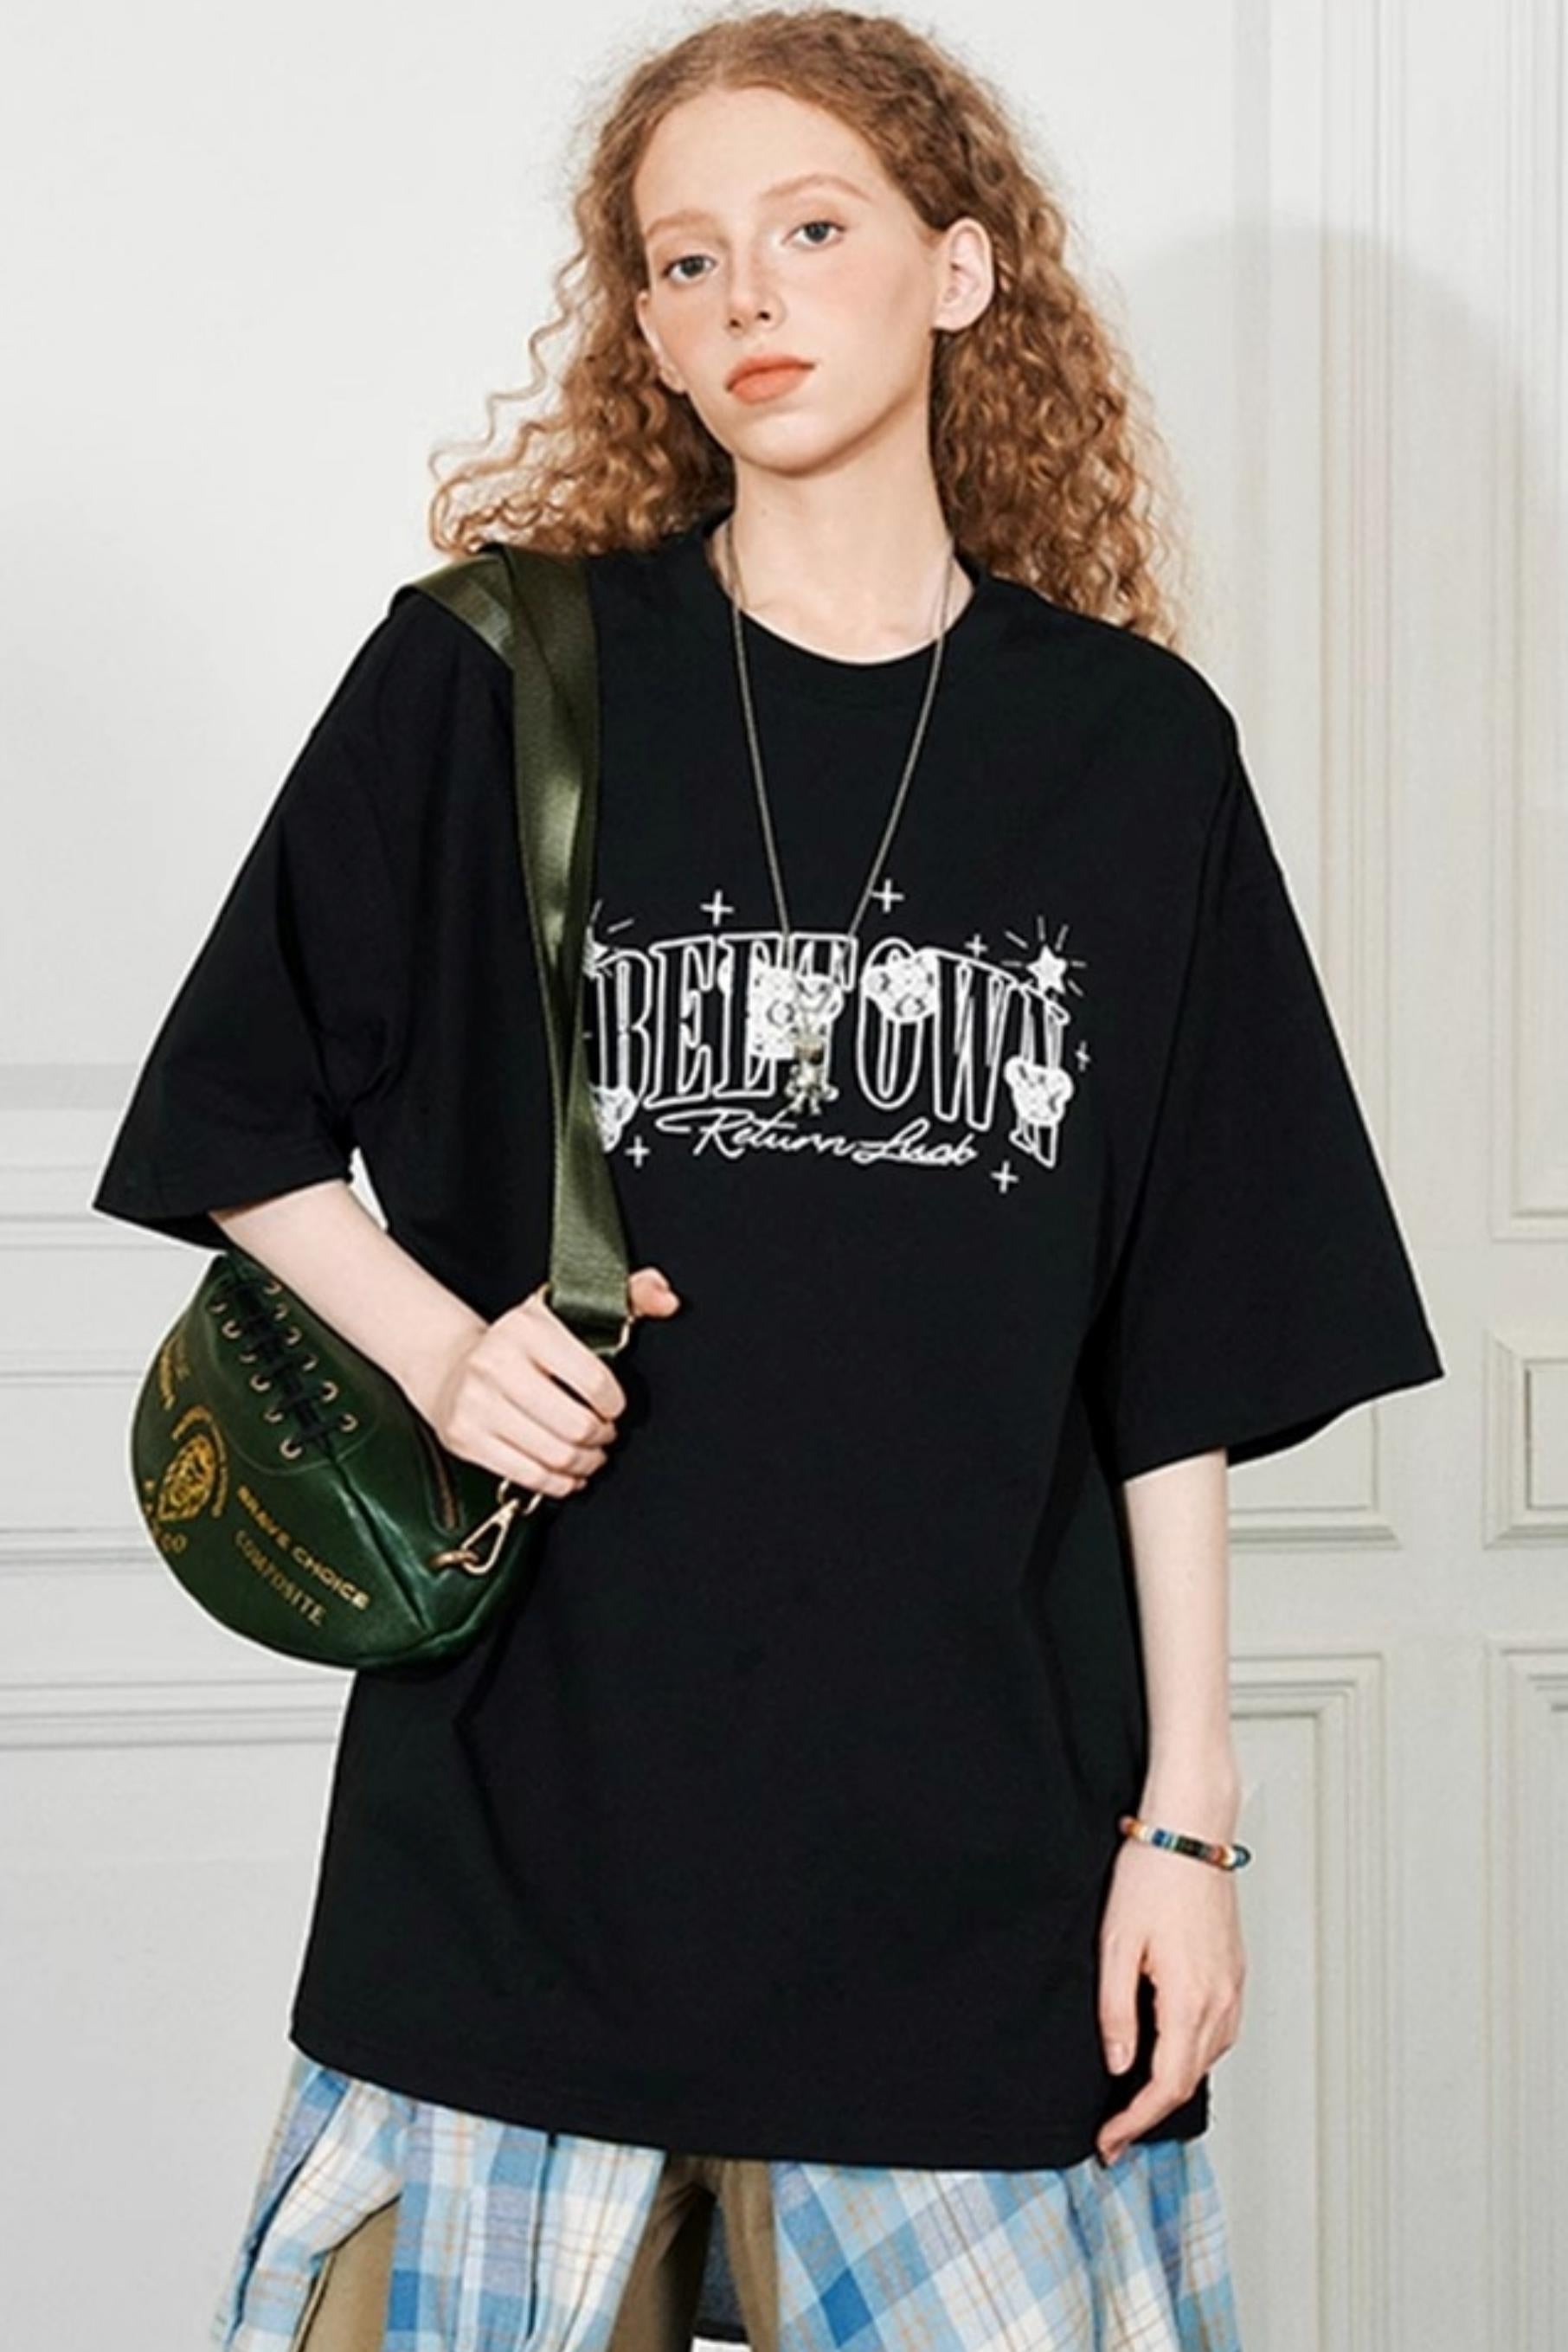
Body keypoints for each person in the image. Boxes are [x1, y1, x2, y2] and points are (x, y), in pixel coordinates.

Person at [92, 10, 1446, 2349]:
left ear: (958, 270)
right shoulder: (493, 677)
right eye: (687, 258)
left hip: (973, 1855)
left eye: (811, 231)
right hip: (521, 1844)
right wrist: (444, 1349)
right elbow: (231, 1110)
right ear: (645, 325)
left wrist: (1187, 1824)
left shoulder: (1129, 755)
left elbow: (1184, 1342)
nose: (749, 299)